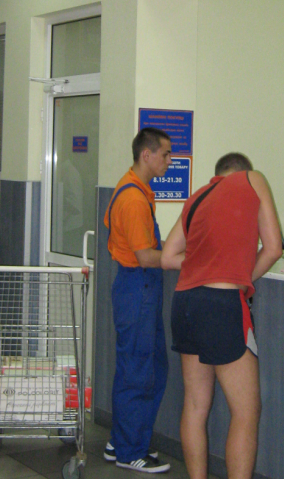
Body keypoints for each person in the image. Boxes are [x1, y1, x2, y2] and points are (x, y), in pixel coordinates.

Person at [161, 153, 283, 479]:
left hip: (185, 303)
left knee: (195, 405)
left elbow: (168, 257)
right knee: (245, 411)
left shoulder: (197, 197)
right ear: (242, 171)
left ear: (217, 175)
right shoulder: (253, 179)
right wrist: (242, 278)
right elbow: (274, 248)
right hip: (221, 303)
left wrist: (205, 259)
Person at [103, 127, 173, 474]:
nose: (170, 160)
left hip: (140, 289)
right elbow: (146, 256)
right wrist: (185, 259)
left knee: (148, 366)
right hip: (137, 288)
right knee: (138, 370)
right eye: (165, 154)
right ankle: (130, 451)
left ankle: (121, 441)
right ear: (147, 155)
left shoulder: (138, 189)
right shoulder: (132, 198)